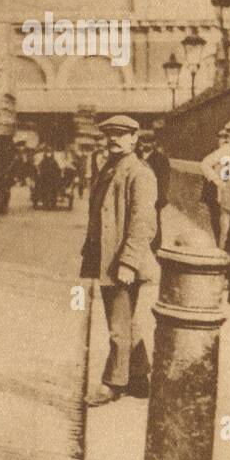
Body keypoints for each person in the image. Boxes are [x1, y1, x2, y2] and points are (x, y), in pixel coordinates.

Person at [80, 115, 159, 407]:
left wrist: (127, 262)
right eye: (110, 134)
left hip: (122, 262)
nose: (114, 139)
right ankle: (138, 378)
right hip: (107, 256)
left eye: (121, 134)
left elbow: (143, 223)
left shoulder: (139, 173)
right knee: (124, 322)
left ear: (134, 139)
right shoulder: (110, 168)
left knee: (118, 325)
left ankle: (112, 384)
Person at [201, 119, 230, 300]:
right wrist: (220, 184)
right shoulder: (228, 151)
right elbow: (207, 165)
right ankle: (225, 278)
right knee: (225, 238)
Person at [137, 129, 171, 250]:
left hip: (154, 196)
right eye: (143, 141)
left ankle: (155, 246)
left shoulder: (161, 159)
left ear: (154, 143)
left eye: (149, 142)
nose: (146, 144)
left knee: (154, 221)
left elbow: (164, 180)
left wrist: (161, 197)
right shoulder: (135, 156)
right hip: (139, 193)